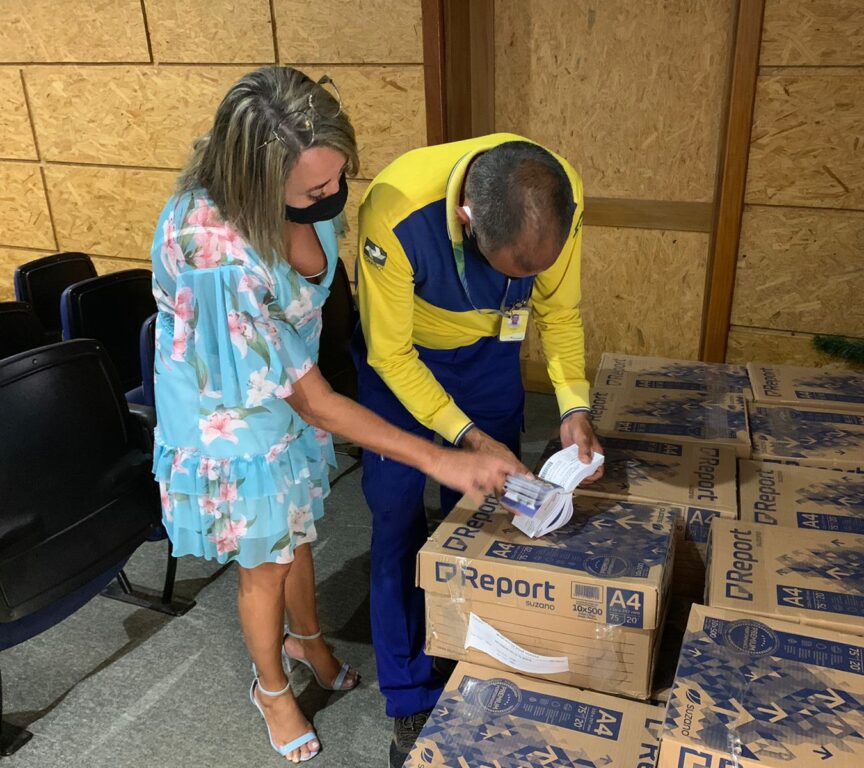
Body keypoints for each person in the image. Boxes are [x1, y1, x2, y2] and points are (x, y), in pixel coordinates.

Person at [150, 67, 519, 764]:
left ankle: (307, 638)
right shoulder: (216, 254)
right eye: (316, 192)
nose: (332, 197)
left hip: (287, 375)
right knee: (266, 559)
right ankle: (270, 689)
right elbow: (317, 400)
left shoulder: (307, 188)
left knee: (298, 529)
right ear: (256, 181)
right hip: (228, 407)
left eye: (337, 179)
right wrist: (442, 457)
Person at [354, 133, 603, 767]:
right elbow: (390, 354)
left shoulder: (560, 191)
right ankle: (409, 694)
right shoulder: (396, 209)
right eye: (511, 270)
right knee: (397, 521)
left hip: (491, 354)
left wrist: (573, 405)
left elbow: (561, 314)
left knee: (489, 511)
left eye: (531, 274)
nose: (523, 283)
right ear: (467, 221)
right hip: (404, 363)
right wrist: (464, 435)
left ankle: (480, 659)